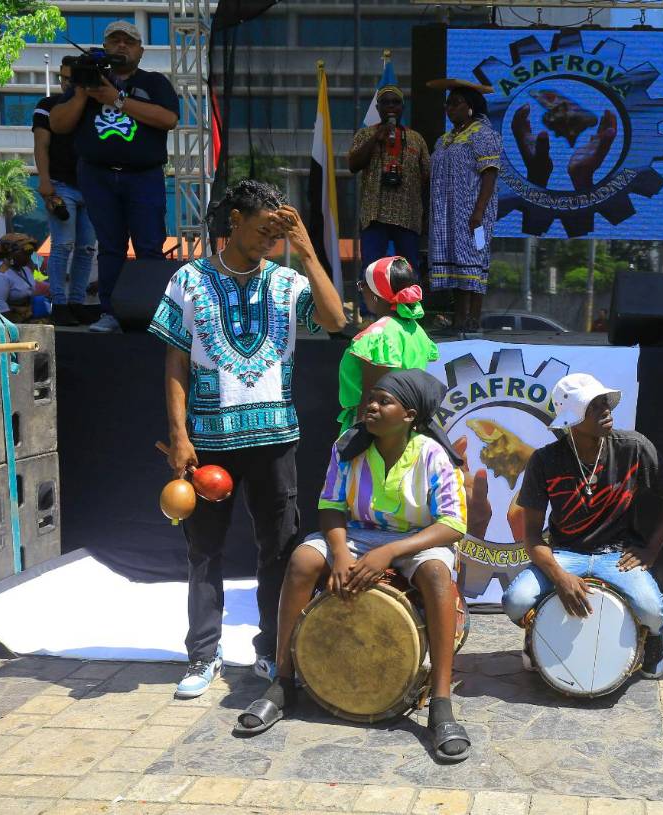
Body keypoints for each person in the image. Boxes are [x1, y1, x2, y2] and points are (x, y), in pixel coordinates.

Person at [149, 180, 346, 699]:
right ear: (233, 220)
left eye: (276, 234)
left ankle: (272, 649)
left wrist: (306, 252)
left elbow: (335, 319)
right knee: (203, 551)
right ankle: (202, 653)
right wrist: (179, 432)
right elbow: (175, 358)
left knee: (279, 550)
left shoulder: (286, 282)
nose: (267, 242)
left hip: (274, 438)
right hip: (208, 441)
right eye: (262, 231)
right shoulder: (188, 281)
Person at [236, 369, 471, 762]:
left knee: (436, 574)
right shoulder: (348, 446)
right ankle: (283, 682)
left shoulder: (433, 455)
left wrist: (390, 552)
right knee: (302, 560)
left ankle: (441, 703)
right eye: (371, 400)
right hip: (357, 535)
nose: (371, 407)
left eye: (384, 401)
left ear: (410, 415)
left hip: (416, 540)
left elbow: (452, 525)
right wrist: (341, 553)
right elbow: (330, 506)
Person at [502, 373, 663, 679]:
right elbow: (532, 536)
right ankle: (535, 632)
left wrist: (651, 548)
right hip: (564, 552)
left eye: (606, 402)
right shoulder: (545, 460)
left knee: (653, 612)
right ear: (572, 419)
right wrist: (559, 577)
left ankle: (655, 638)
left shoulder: (632, 447)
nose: (607, 410)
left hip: (616, 554)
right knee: (515, 601)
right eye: (595, 405)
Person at [50, 20, 179, 334]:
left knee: (149, 246)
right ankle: (110, 312)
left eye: (129, 42)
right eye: (115, 41)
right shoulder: (87, 81)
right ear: (105, 47)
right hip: (98, 176)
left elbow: (169, 119)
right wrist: (83, 93)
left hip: (143, 176)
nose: (122, 46)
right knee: (110, 248)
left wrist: (116, 99)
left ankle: (151, 313)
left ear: (140, 50)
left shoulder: (154, 82)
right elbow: (58, 124)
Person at [347, 86, 430, 326]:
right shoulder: (366, 134)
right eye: (386, 103)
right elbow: (353, 165)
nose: (391, 107)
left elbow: (427, 178)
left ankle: (409, 313)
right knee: (372, 266)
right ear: (378, 108)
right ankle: (369, 314)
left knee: (409, 267)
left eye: (396, 103)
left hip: (408, 213)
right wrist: (376, 138)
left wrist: (425, 213)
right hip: (376, 212)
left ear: (402, 107)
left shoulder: (416, 138)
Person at [426, 79, 500, 333]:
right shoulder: (445, 139)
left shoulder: (483, 134)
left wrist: (479, 211)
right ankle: (458, 320)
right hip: (449, 213)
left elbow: (489, 174)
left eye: (455, 103)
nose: (449, 108)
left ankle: (472, 320)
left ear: (470, 107)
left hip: (473, 212)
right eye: (448, 104)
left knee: (473, 261)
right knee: (456, 264)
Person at [337, 255, 438, 434]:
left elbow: (371, 397)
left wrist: (357, 441)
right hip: (406, 427)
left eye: (363, 285)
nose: (362, 291)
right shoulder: (416, 331)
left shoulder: (378, 335)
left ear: (376, 295)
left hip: (380, 431)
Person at [33, 55, 97, 327]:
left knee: (85, 249)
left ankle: (76, 301)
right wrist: (45, 181)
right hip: (61, 183)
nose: (65, 83)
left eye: (70, 78)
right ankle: (60, 302)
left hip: (90, 186)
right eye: (63, 77)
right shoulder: (47, 106)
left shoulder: (94, 104)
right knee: (63, 245)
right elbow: (41, 145)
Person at [0, 234, 46, 323]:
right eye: (25, 254)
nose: (29, 257)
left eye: (30, 254)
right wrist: (26, 325)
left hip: (25, 320)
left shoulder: (25, 269)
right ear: (11, 254)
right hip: (6, 325)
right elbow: (0, 311)